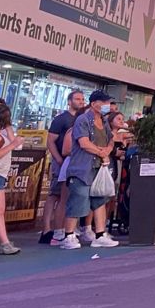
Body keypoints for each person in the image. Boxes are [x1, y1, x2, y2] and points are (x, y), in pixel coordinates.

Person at [59, 91, 120, 250]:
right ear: (94, 104)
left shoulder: (104, 122)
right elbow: (84, 143)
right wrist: (101, 152)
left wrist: (108, 150)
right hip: (81, 168)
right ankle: (69, 235)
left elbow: (111, 140)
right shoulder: (83, 120)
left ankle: (100, 234)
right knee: (78, 200)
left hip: (98, 168)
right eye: (104, 102)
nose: (108, 105)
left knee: (99, 200)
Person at [40, 90, 85, 245]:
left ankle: (66, 228)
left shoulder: (80, 118)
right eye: (77, 99)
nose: (81, 101)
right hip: (61, 160)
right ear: (69, 101)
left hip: (73, 162)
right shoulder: (61, 119)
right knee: (55, 195)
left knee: (68, 196)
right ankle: (47, 230)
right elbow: (50, 141)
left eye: (82, 99)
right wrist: (58, 159)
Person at [0, 99, 23, 255]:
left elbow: (17, 143)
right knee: (0, 210)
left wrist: (8, 127)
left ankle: (5, 242)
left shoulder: (3, 132)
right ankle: (5, 242)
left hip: (1, 173)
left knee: (0, 210)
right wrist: (12, 145)